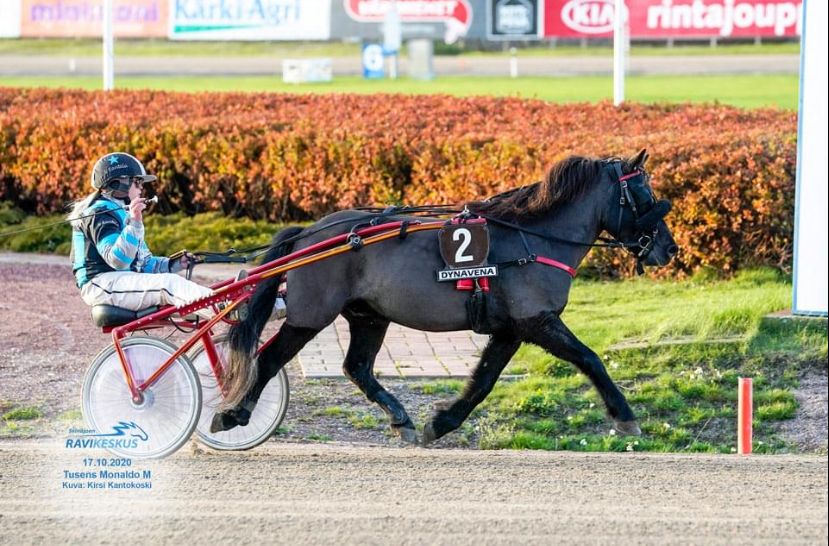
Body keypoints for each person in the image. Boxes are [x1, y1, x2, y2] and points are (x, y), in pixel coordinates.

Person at [68, 152, 214, 314]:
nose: (142, 187)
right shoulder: (99, 213)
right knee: (169, 285)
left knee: (177, 288)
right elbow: (118, 261)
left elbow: (142, 264)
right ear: (118, 184)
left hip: (119, 280)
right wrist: (135, 223)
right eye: (137, 182)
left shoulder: (122, 213)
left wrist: (175, 264)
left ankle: (219, 306)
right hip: (100, 284)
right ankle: (222, 306)